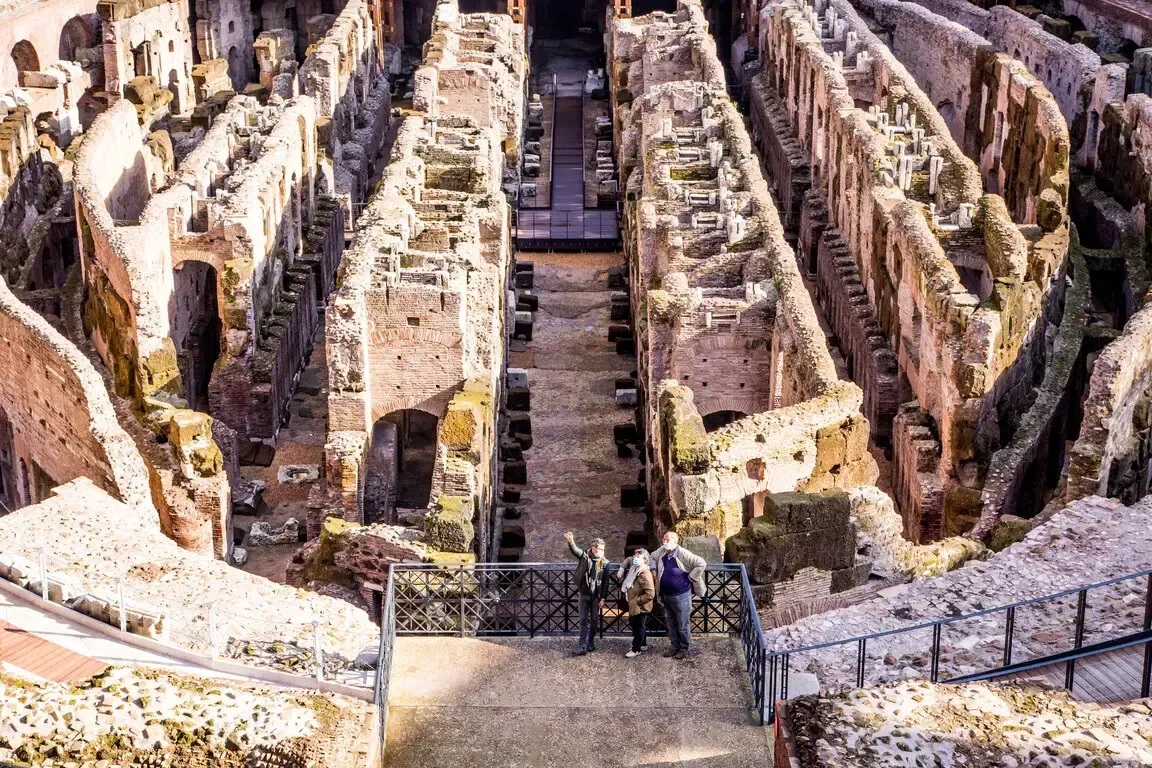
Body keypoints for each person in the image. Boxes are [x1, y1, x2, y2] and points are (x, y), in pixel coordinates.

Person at [650, 531, 706, 659]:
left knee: (682, 624)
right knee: (671, 623)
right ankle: (674, 646)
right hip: (666, 595)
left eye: (667, 540)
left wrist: (690, 578)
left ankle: (684, 648)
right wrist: (653, 569)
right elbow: (652, 557)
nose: (664, 542)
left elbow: (701, 563)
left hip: (681, 596)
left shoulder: (683, 553)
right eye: (664, 539)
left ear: (675, 541)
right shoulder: (662, 551)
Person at [565, 531, 609, 655]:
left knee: (594, 620)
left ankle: (591, 641)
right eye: (600, 549)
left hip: (596, 596)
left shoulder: (605, 563)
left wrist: (603, 598)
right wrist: (570, 541)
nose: (601, 552)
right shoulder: (585, 556)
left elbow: (605, 582)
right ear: (593, 548)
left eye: (603, 549)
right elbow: (575, 550)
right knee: (583, 620)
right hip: (584, 594)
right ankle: (581, 646)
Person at [615, 548, 654, 658]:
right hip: (634, 604)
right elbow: (628, 560)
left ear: (645, 560)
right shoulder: (635, 568)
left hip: (639, 606)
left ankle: (635, 649)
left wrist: (637, 601)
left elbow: (650, 594)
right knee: (639, 625)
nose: (635, 558)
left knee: (638, 627)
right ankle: (643, 644)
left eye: (638, 557)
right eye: (635, 556)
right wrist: (622, 569)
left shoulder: (644, 574)